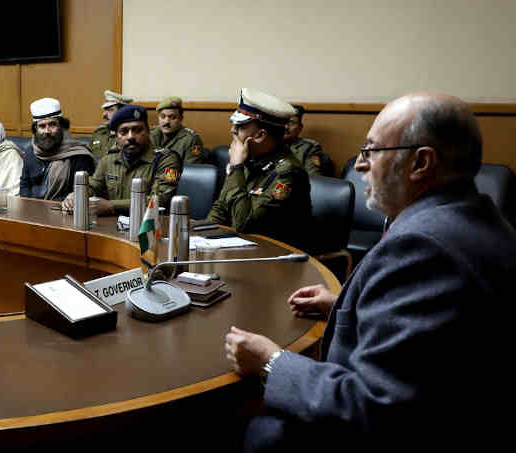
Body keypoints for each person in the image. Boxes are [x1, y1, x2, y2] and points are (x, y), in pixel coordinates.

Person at [225, 92, 516, 451]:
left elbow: (374, 405)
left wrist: (271, 362)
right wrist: (349, 305)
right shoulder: (475, 215)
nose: (360, 165)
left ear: (421, 163)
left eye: (372, 151)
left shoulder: (423, 247)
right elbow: (440, 335)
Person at [206, 89, 311, 248]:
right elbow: (221, 208)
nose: (232, 130)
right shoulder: (250, 159)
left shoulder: (288, 172)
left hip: (276, 258)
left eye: (239, 126)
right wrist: (201, 237)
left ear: (260, 135)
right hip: (240, 250)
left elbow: (244, 225)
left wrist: (236, 167)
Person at [62, 105, 181, 215]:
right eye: (123, 132)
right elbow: (93, 185)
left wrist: (111, 206)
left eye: (137, 130)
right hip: (112, 226)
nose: (130, 137)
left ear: (148, 131)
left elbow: (161, 199)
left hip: (150, 226)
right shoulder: (109, 159)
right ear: (117, 137)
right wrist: (77, 195)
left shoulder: (167, 159)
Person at [19, 98, 95, 201]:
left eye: (52, 124)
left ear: (62, 127)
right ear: (35, 130)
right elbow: (24, 186)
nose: (47, 131)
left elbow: (86, 191)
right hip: (31, 209)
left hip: (63, 211)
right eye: (42, 126)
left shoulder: (79, 156)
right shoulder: (30, 152)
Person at [149, 96, 207, 164]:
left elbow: (190, 170)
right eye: (163, 116)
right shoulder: (149, 133)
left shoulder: (191, 140)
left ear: (180, 119)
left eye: (172, 117)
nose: (166, 121)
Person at [284, 104, 334, 177]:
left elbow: (314, 180)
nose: (286, 127)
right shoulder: (268, 145)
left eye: (291, 123)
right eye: (283, 122)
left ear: (300, 128)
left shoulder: (308, 149)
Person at [90, 90, 133, 160]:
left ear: (122, 112)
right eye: (105, 110)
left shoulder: (130, 135)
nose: (104, 114)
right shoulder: (99, 133)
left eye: (110, 110)